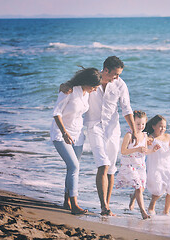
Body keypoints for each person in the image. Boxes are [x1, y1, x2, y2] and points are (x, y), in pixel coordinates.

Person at [60, 56, 137, 216]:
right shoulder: (92, 79)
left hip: (113, 128)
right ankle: (104, 207)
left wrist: (134, 131)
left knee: (110, 169)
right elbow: (73, 85)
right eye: (115, 74)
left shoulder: (120, 84)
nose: (117, 77)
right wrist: (65, 85)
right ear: (106, 70)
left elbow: (126, 108)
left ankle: (105, 205)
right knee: (102, 164)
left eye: (119, 75)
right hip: (94, 126)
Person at [50, 67, 101, 215]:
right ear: (86, 82)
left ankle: (66, 202)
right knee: (74, 167)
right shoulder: (69, 91)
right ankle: (75, 205)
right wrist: (64, 133)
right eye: (94, 87)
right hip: (61, 133)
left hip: (77, 135)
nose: (95, 90)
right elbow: (56, 113)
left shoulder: (87, 93)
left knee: (72, 168)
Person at [116, 110, 160, 219]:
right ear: (132, 123)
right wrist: (137, 148)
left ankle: (132, 198)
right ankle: (143, 212)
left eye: (143, 124)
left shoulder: (145, 136)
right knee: (139, 188)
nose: (140, 126)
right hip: (129, 166)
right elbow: (123, 151)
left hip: (140, 165)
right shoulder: (129, 135)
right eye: (138, 124)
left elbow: (144, 151)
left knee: (141, 188)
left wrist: (153, 150)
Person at [144, 115, 170, 215]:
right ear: (153, 126)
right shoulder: (151, 138)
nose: (163, 129)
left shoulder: (168, 137)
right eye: (160, 126)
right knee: (157, 189)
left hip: (167, 167)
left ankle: (166, 211)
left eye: (164, 127)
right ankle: (152, 205)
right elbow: (145, 150)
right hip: (155, 167)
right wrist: (151, 148)